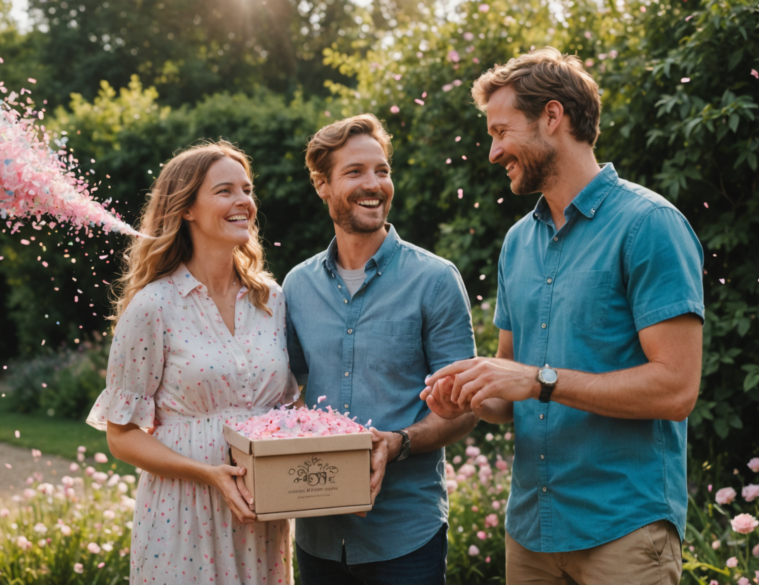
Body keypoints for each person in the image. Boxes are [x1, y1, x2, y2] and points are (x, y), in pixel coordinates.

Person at [421, 47, 704, 584]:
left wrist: (538, 380)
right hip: (531, 532)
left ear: (553, 117)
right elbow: (513, 390)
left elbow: (675, 389)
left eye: (501, 131)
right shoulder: (516, 243)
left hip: (624, 531)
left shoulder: (649, 225)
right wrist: (475, 392)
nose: (492, 151)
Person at [86, 141, 297, 584]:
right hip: (184, 513)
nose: (244, 202)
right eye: (225, 191)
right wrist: (208, 474)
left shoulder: (272, 300)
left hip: (260, 513)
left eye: (247, 189)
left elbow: (289, 411)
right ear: (187, 209)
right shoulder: (153, 307)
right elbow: (121, 436)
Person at [283, 114, 478, 585]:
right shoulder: (296, 286)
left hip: (405, 537)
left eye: (382, 170)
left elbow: (466, 408)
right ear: (321, 185)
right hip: (317, 535)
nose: (374, 184)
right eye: (354, 172)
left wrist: (400, 443)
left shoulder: (435, 280)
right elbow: (288, 395)